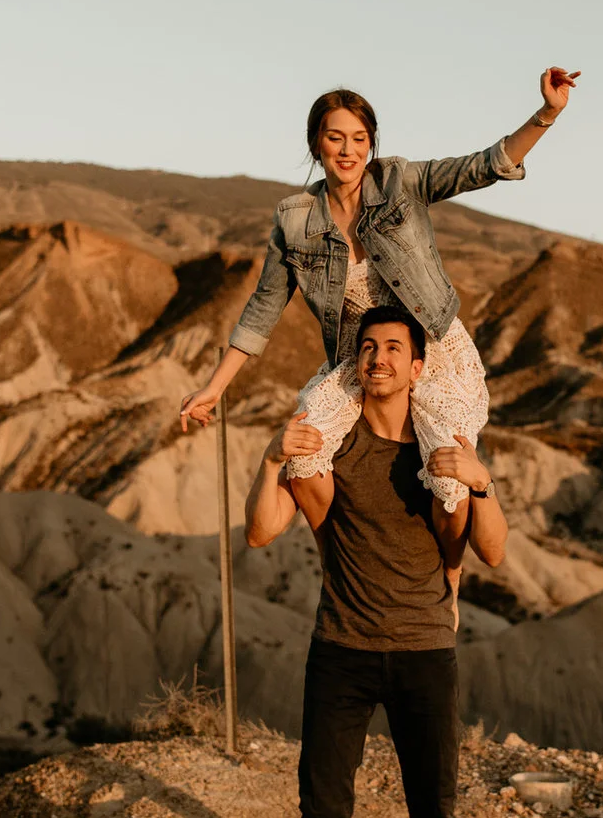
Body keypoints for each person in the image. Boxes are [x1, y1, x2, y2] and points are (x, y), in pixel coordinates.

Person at [239, 304, 509, 818]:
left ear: (419, 367)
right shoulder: (329, 447)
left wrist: (480, 480)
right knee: (322, 813)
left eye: (394, 347)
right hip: (342, 651)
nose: (378, 357)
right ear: (355, 363)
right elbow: (260, 531)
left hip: (425, 652)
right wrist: (271, 458)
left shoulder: (442, 450)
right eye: (368, 347)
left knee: (435, 816)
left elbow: (492, 549)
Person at [177, 68, 579, 514]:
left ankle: (451, 556)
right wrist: (214, 388)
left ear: (371, 144)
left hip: (431, 349)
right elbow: (262, 309)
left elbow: (483, 166)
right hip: (362, 360)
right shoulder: (294, 220)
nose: (348, 150)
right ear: (316, 143)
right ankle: (335, 546)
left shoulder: (399, 181)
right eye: (335, 138)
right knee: (304, 456)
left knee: (448, 475)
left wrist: (547, 113)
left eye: (359, 138)